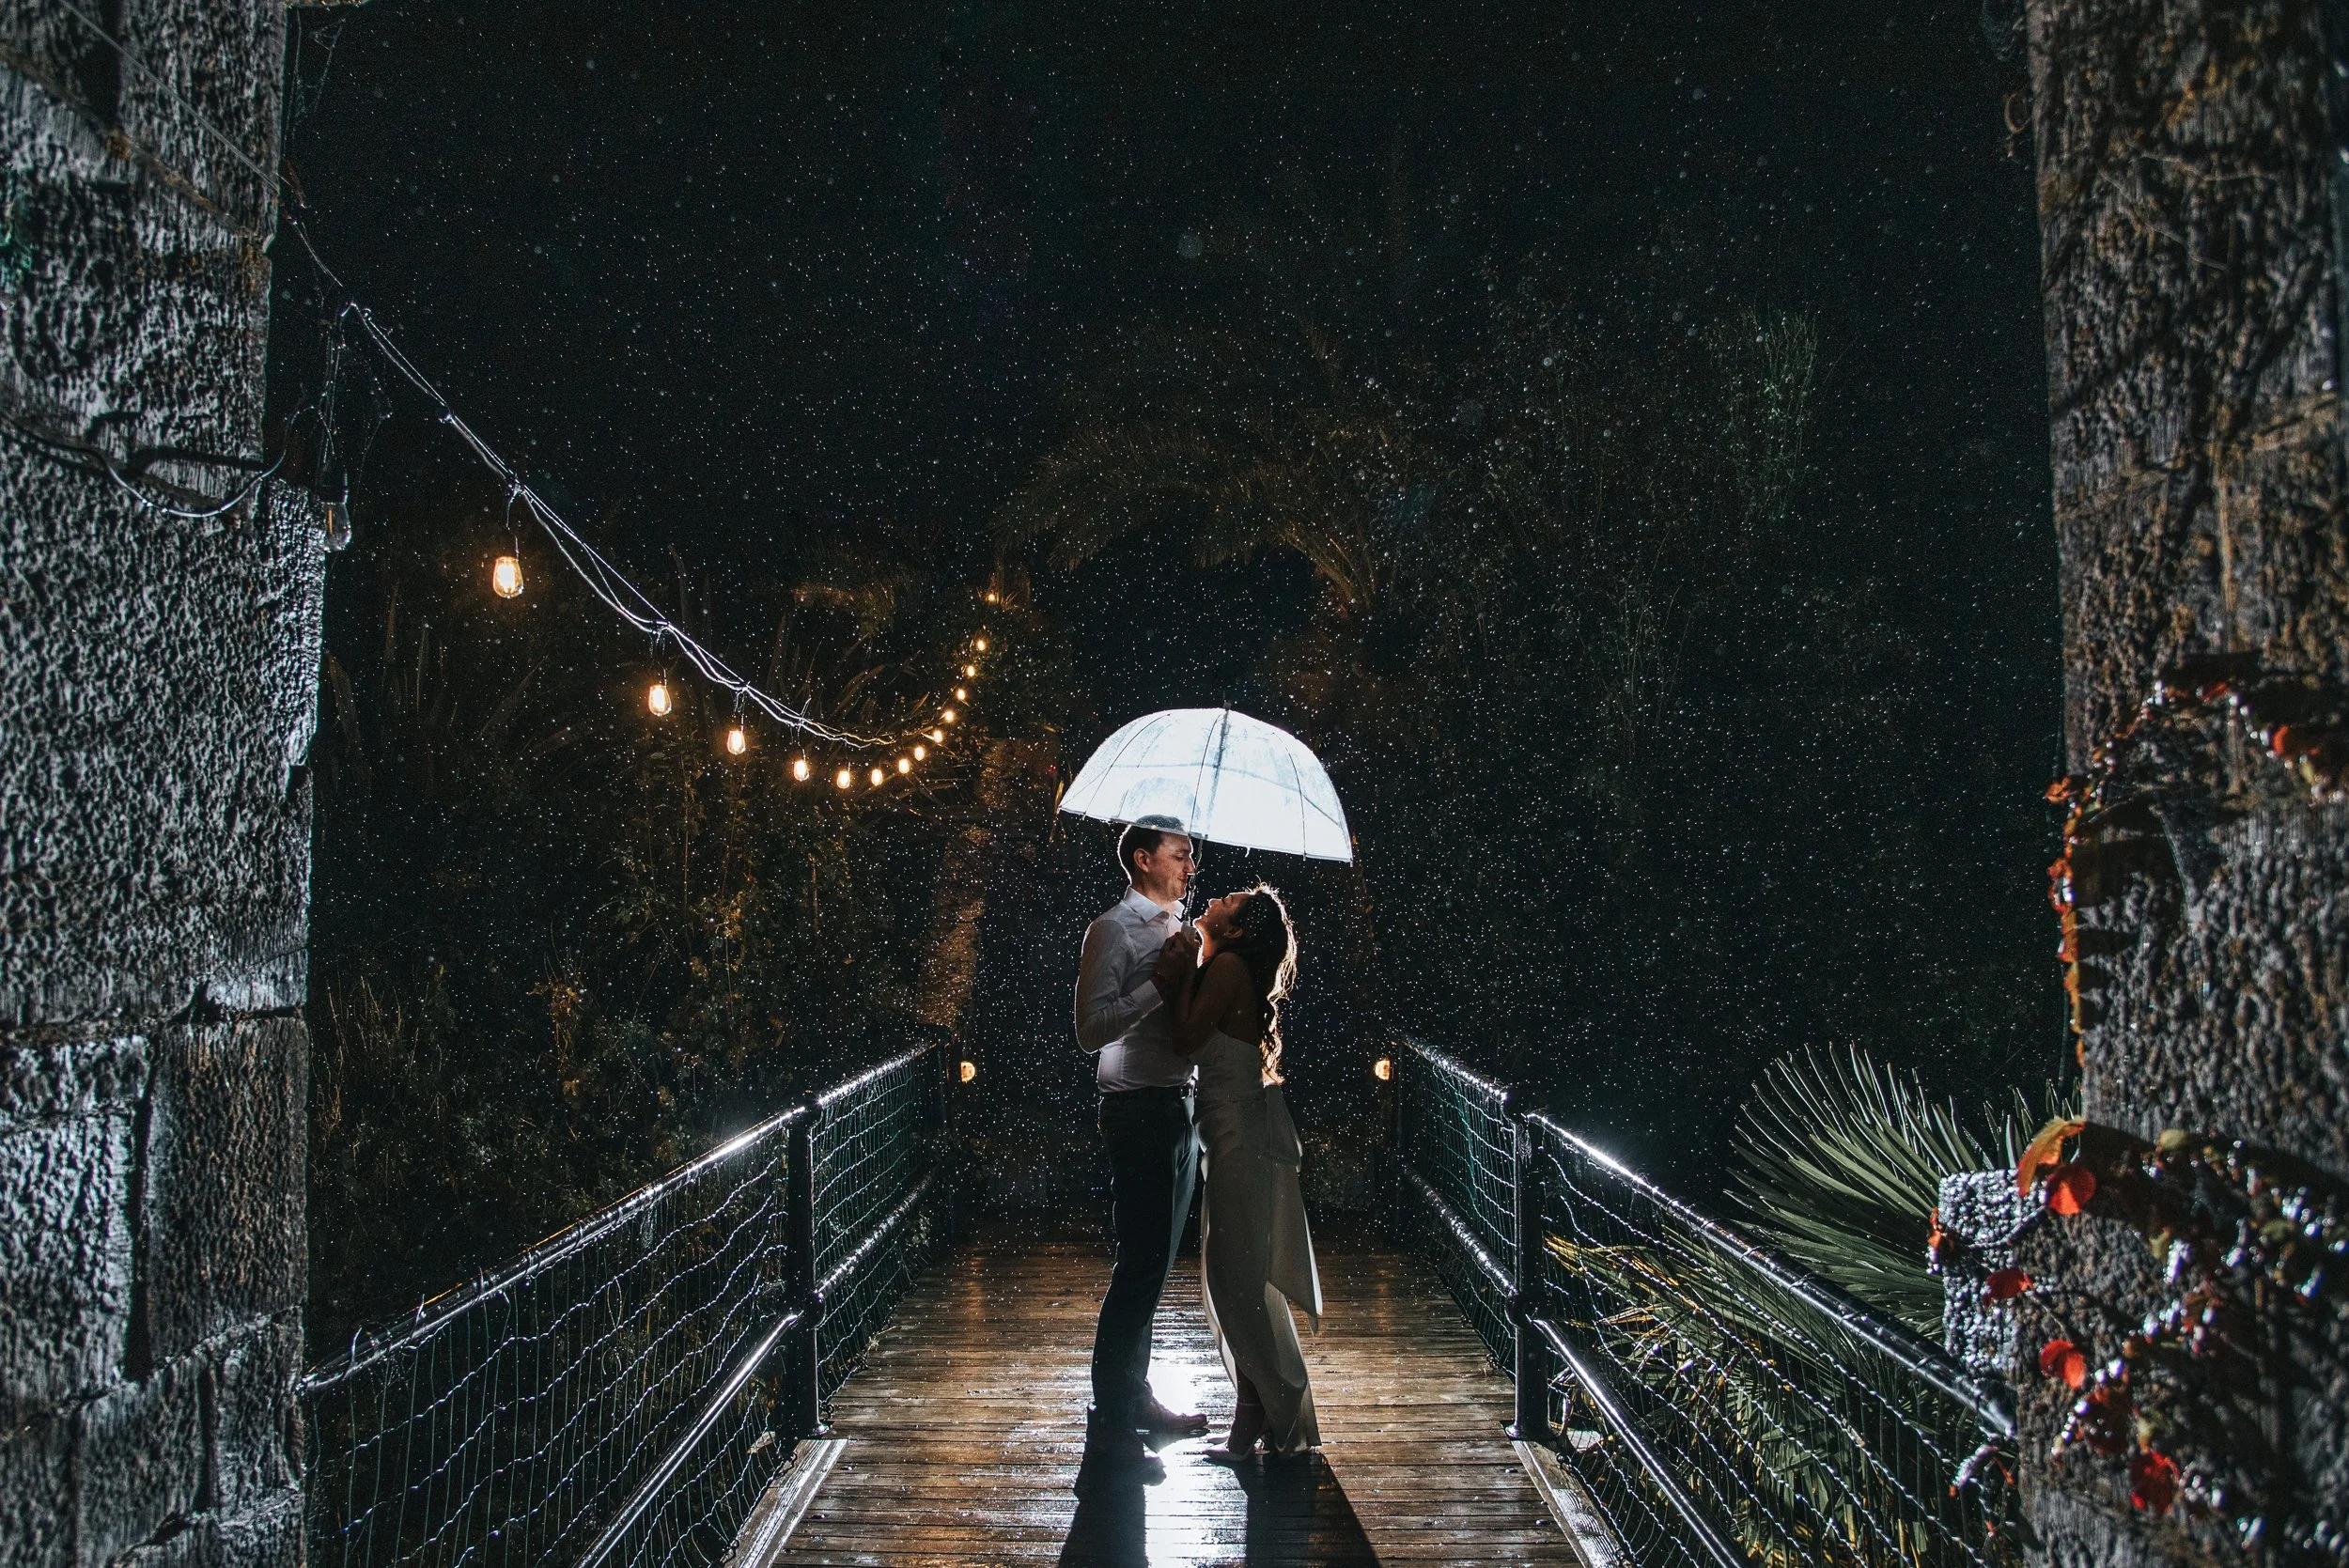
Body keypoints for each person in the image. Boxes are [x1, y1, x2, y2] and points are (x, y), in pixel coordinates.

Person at [1160, 884, 1322, 1457]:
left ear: (1238, 931)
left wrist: (1175, 979)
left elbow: (1183, 1040)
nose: (1216, 898)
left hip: (1239, 1143)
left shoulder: (1226, 967)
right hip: (1227, 1139)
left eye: (1229, 902)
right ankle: (1253, 1419)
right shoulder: (1221, 964)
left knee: (1236, 1282)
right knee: (1234, 1279)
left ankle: (1258, 1416)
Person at [1075, 815, 1213, 1475]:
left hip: (1179, 1104)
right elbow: (1090, 1028)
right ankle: (1109, 1419)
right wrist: (1158, 984)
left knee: (1156, 1265)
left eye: (1190, 855)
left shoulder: (1184, 931)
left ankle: (1136, 1397)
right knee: (1138, 1265)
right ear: (1142, 858)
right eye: (1180, 854)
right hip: (1134, 1107)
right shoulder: (1111, 929)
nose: (1191, 866)